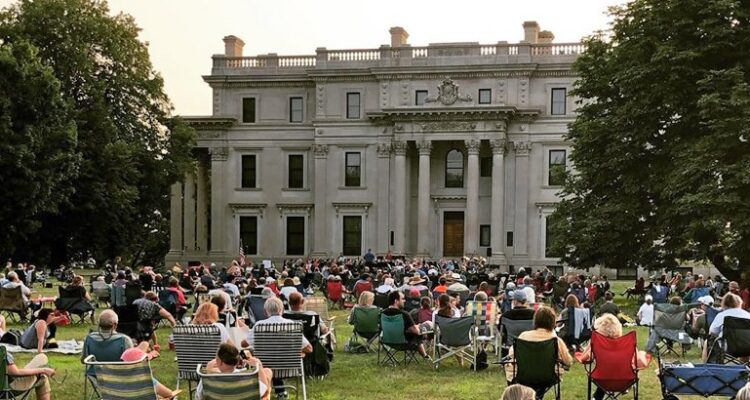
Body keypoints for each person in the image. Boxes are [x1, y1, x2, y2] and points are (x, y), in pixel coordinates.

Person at [242, 297, 312, 400]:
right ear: (282, 310)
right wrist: (297, 350)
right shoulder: (292, 325)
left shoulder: (259, 326)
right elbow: (309, 348)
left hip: (264, 367)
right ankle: (280, 392)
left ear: (265, 312)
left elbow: (243, 344)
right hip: (289, 367)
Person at [577, 314, 650, 400]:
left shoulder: (596, 343)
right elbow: (640, 363)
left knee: (605, 372)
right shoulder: (626, 344)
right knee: (628, 368)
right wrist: (643, 355)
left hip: (601, 379)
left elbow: (585, 359)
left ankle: (597, 397)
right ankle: (624, 389)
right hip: (625, 379)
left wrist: (579, 355)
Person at [504, 306, 573, 393]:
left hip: (523, 375)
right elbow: (568, 361)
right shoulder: (555, 340)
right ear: (553, 322)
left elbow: (511, 355)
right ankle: (537, 395)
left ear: (535, 320)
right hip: (548, 377)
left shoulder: (523, 336)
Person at [197, 343, 272, 400]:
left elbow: (199, 396)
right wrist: (259, 366)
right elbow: (264, 392)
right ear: (236, 362)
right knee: (268, 373)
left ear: (219, 362)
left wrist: (208, 370)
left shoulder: (208, 378)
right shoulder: (248, 377)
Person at [381, 290, 430, 359]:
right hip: (403, 343)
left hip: (387, 341)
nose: (404, 301)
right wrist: (419, 326)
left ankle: (425, 355)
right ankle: (425, 356)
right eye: (402, 299)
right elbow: (417, 331)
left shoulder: (382, 313)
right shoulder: (404, 314)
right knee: (421, 330)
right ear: (396, 301)